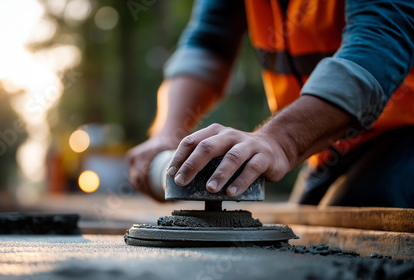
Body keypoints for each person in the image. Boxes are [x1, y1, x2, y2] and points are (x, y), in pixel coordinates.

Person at [127, 0, 414, 207]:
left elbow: (380, 38)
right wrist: (168, 134)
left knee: (362, 210)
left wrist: (282, 141)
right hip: (328, 149)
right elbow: (208, 42)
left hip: (403, 134)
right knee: (309, 230)